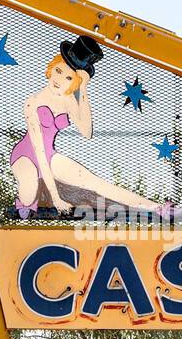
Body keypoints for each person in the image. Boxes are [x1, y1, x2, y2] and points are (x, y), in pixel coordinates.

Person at [9, 34, 171, 218]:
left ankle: (157, 207)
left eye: (69, 78)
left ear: (75, 82)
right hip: (26, 155)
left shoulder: (70, 101)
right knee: (28, 195)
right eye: (59, 71)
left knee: (93, 181)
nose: (59, 80)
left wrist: (83, 89)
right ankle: (30, 201)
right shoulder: (33, 102)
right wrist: (56, 199)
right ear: (51, 68)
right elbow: (38, 151)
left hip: (50, 156)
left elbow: (86, 131)